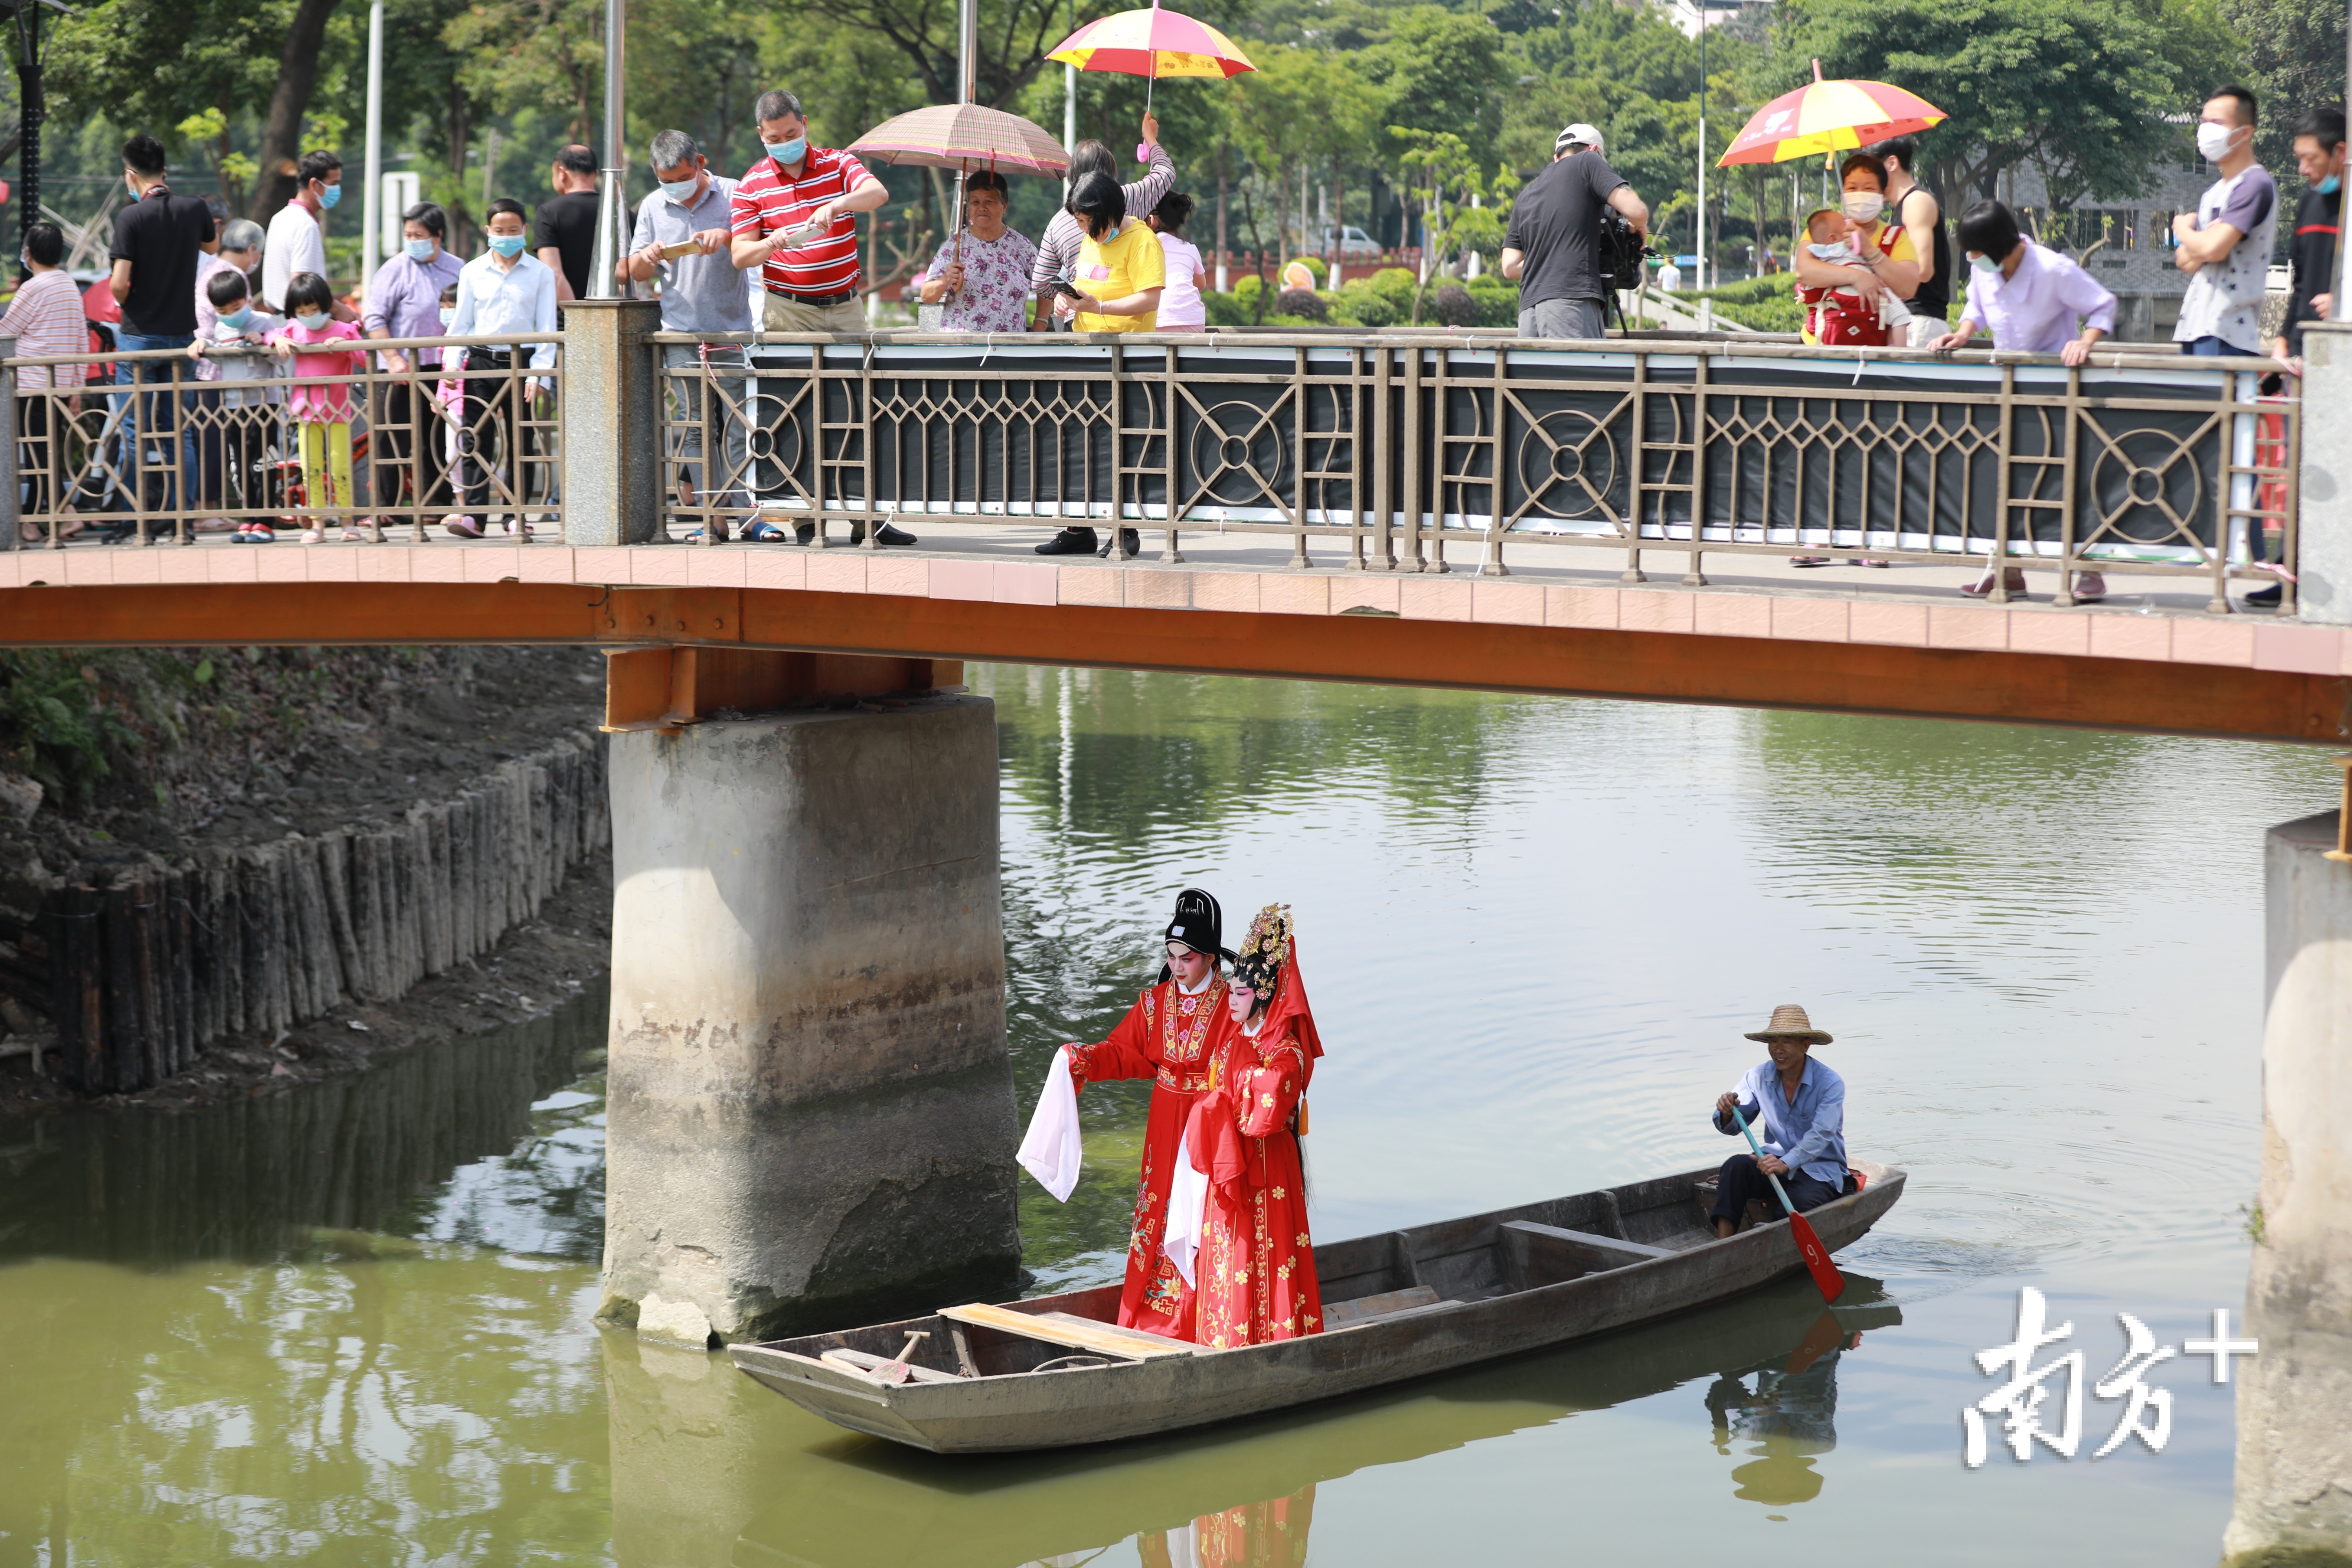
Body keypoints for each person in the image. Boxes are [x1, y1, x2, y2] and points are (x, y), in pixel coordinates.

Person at [1062, 888, 1237, 1339]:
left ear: (1211, 958)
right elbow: (1124, 1052)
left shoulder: (1233, 1004)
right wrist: (1081, 1058)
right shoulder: (1155, 1002)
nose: (1177, 966)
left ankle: (1203, 1317)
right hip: (1165, 1123)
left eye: (1188, 958)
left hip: (1209, 1124)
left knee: (1202, 1211)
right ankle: (1146, 1316)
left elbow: (1246, 1063)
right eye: (1172, 956)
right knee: (1157, 1207)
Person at [1929, 200, 2117, 601]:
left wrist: (2084, 342)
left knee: (2065, 479)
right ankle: (2006, 570)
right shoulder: (1985, 270)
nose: (1971, 259)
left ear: (1999, 246)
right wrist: (1963, 334)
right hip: (2008, 387)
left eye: (1976, 251)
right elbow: (1976, 307)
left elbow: (2103, 305)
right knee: (2003, 479)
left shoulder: (2054, 269)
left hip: (2055, 390)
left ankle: (2088, 571)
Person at [1029, 113, 1170, 557]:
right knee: (1084, 445)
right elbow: (1072, 285)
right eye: (1080, 220)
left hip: (1128, 358)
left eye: (1089, 221)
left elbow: (1150, 300)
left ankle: (1123, 530)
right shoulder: (1087, 232)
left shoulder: (1142, 240)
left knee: (1122, 448)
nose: (1084, 229)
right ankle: (1080, 527)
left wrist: (1100, 307)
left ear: (1112, 208)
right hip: (1087, 352)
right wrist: (1070, 303)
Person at [1184, 903, 1324, 1348]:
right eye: (1231, 993)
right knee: (1229, 1244)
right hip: (1233, 1162)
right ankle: (1226, 1335)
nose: (1231, 1002)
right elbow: (1226, 1087)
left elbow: (1273, 1095)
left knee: (1268, 1247)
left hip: (1269, 1166)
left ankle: (1274, 1338)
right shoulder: (1234, 1042)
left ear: (1263, 995)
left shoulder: (1286, 1049)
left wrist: (1232, 1086)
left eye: (1240, 995)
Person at [622, 129, 755, 536]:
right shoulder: (651, 206)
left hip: (731, 331)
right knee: (696, 427)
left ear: (700, 165)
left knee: (740, 426)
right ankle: (711, 520)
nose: (674, 187)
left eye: (680, 177)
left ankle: (749, 516)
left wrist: (729, 236)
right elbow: (633, 270)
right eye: (665, 181)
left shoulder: (734, 193)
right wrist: (645, 258)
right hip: (680, 335)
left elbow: (760, 242)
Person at [108, 132, 219, 521]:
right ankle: (181, 518)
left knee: (133, 432)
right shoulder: (194, 209)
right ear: (165, 170)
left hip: (138, 336)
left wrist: (127, 302)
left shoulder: (130, 217)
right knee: (180, 432)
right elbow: (211, 245)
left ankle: (134, 521)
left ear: (130, 175)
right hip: (182, 337)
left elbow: (119, 283)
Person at [730, 87, 889, 335]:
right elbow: (740, 256)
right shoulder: (750, 186)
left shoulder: (838, 163)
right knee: (793, 375)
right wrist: (770, 243)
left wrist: (838, 204)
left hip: (845, 309)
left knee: (852, 375)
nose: (784, 143)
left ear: (804, 124)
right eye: (774, 139)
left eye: (791, 134)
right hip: (789, 313)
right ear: (761, 135)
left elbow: (878, 194)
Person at [443, 197, 559, 537]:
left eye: (513, 230)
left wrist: (538, 374)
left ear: (524, 230)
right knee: (475, 439)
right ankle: (475, 517)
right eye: (499, 231)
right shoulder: (472, 271)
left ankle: (516, 515)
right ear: (488, 231)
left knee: (521, 443)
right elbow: (460, 325)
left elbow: (546, 329)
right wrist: (452, 364)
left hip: (521, 364)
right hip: (480, 361)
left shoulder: (540, 273)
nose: (506, 236)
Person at [365, 201, 467, 535]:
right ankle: (388, 507)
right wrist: (394, 358)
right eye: (408, 234)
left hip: (442, 366)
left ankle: (436, 505)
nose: (413, 240)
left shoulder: (460, 269)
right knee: (391, 438)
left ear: (438, 236)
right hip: (398, 368)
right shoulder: (395, 268)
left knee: (434, 439)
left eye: (419, 235)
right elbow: (375, 317)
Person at [1708, 1004, 1850, 1240]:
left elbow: (1821, 1135)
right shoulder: (1757, 1076)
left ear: (1806, 1046)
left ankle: (1774, 1246)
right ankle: (1724, 1244)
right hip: (1773, 1165)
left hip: (1820, 1172)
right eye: (1773, 1042)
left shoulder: (1830, 1083)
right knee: (1735, 1167)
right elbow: (1734, 1125)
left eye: (1787, 1042)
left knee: (1797, 1204)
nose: (1778, 1050)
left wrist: (1786, 1163)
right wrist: (1727, 1111)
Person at [1500, 122, 1650, 341]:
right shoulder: (1587, 161)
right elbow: (1637, 210)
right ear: (1594, 150)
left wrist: (1556, 257)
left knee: (1535, 376)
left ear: (1556, 157)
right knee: (1583, 374)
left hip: (1529, 312)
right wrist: (1640, 226)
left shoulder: (1526, 193)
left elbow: (1510, 267)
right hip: (1571, 304)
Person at [2173, 84, 2279, 358]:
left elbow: (2212, 250)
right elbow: (2185, 260)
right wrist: (2203, 241)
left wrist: (2182, 228)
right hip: (2195, 325)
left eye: (2217, 123)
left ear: (2245, 133)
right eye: (2204, 121)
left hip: (2227, 330)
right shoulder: (2214, 192)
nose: (2206, 130)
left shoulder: (2254, 184)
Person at [268, 271, 367, 542]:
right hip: (305, 411)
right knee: (310, 467)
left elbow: (365, 359)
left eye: (314, 309)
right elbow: (270, 334)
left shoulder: (344, 329)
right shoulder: (293, 329)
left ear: (326, 306)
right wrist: (277, 340)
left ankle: (348, 521)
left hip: (337, 410)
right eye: (302, 310)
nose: (309, 314)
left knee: (340, 466)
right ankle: (317, 523)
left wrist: (346, 346)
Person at [5, 221, 89, 541]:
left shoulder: (32, 288)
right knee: (46, 454)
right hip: (61, 385)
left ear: (28, 253)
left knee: (38, 456)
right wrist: (77, 389)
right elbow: (82, 341)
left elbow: (6, 331)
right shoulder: (69, 285)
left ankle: (55, 516)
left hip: (31, 384)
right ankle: (50, 517)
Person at [189, 266, 283, 542]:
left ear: (247, 300)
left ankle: (265, 521)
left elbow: (281, 359)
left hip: (264, 406)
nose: (232, 314)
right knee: (240, 465)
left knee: (263, 464)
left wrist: (266, 342)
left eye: (236, 307)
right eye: (224, 310)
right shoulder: (220, 328)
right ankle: (249, 519)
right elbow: (219, 358)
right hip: (233, 407)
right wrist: (202, 345)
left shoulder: (264, 322)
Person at [1791, 154, 1918, 350]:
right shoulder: (1823, 230)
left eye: (1869, 188)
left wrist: (1868, 250)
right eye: (1852, 188)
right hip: (1820, 343)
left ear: (1884, 194)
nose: (1860, 194)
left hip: (1875, 348)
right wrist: (1858, 277)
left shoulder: (1896, 237)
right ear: (1842, 195)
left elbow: (1908, 287)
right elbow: (1805, 271)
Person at [917, 170, 1037, 334]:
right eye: (975, 202)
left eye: (989, 201)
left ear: (1005, 206)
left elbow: (1046, 286)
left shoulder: (1022, 246)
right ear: (968, 207)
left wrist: (1041, 323)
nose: (982, 208)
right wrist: (945, 280)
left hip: (1010, 349)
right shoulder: (953, 247)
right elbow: (927, 297)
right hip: (961, 350)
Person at [2274, 105, 2345, 375]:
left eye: (2311, 159)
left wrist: (2344, 304)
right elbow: (2301, 284)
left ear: (2341, 152)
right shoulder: (2309, 201)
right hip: (2302, 355)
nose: (2303, 169)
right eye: (2299, 158)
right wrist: (2283, 338)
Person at [1865, 135, 1950, 347]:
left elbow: (1922, 270)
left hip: (1918, 321)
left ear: (1892, 163)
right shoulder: (1900, 208)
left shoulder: (1915, 201)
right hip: (1907, 319)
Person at [1792, 207, 1913, 345]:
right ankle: (1898, 353)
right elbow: (1803, 270)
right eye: (1845, 224)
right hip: (1872, 292)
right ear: (1833, 238)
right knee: (1900, 316)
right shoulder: (1847, 248)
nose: (1851, 225)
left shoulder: (1819, 254)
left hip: (1821, 339)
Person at [262, 151, 356, 322]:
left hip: (280, 321)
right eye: (333, 184)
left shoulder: (280, 217)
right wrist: (337, 309)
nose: (337, 190)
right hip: (302, 323)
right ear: (315, 185)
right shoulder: (306, 224)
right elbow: (302, 284)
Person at [536, 144, 604, 303]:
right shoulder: (619, 211)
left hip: (566, 322)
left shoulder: (549, 212)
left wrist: (577, 317)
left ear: (562, 173)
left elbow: (554, 273)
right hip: (612, 318)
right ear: (595, 174)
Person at [1147, 191, 1208, 334]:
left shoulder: (1144, 247)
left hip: (1158, 320)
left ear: (1151, 220)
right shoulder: (1190, 248)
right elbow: (1201, 284)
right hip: (1194, 321)